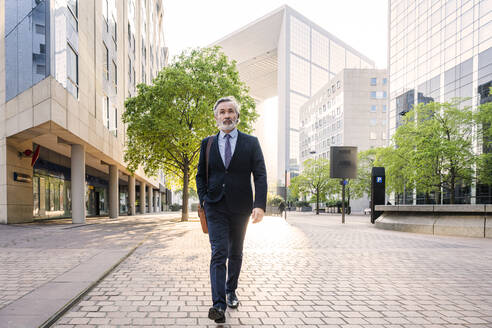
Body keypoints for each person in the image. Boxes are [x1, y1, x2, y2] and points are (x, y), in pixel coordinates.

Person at [196, 96, 267, 324]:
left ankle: (231, 291)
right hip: (215, 206)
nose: (226, 115)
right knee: (219, 253)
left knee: (235, 252)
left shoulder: (251, 142)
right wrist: (205, 199)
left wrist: (259, 204)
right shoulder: (207, 143)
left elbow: (260, 174)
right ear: (216, 117)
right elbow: (200, 176)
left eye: (230, 111)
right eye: (222, 112)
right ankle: (218, 305)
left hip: (241, 207)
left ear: (237, 115)